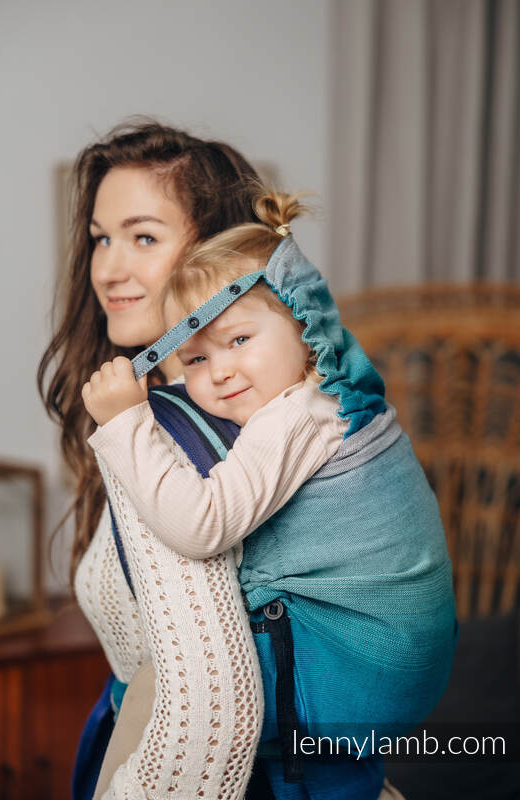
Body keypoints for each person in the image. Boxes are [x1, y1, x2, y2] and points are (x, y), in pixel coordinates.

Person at [82, 191, 458, 799]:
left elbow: (202, 524)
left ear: (303, 330)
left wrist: (126, 424)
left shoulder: (298, 415)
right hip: (390, 672)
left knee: (173, 679)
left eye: (239, 340)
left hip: (350, 670)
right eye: (194, 357)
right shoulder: (331, 394)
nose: (219, 371)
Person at [38, 119, 277, 800]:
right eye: (101, 239)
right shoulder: (161, 410)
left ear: (216, 252)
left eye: (143, 237)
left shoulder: (165, 438)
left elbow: (213, 719)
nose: (108, 269)